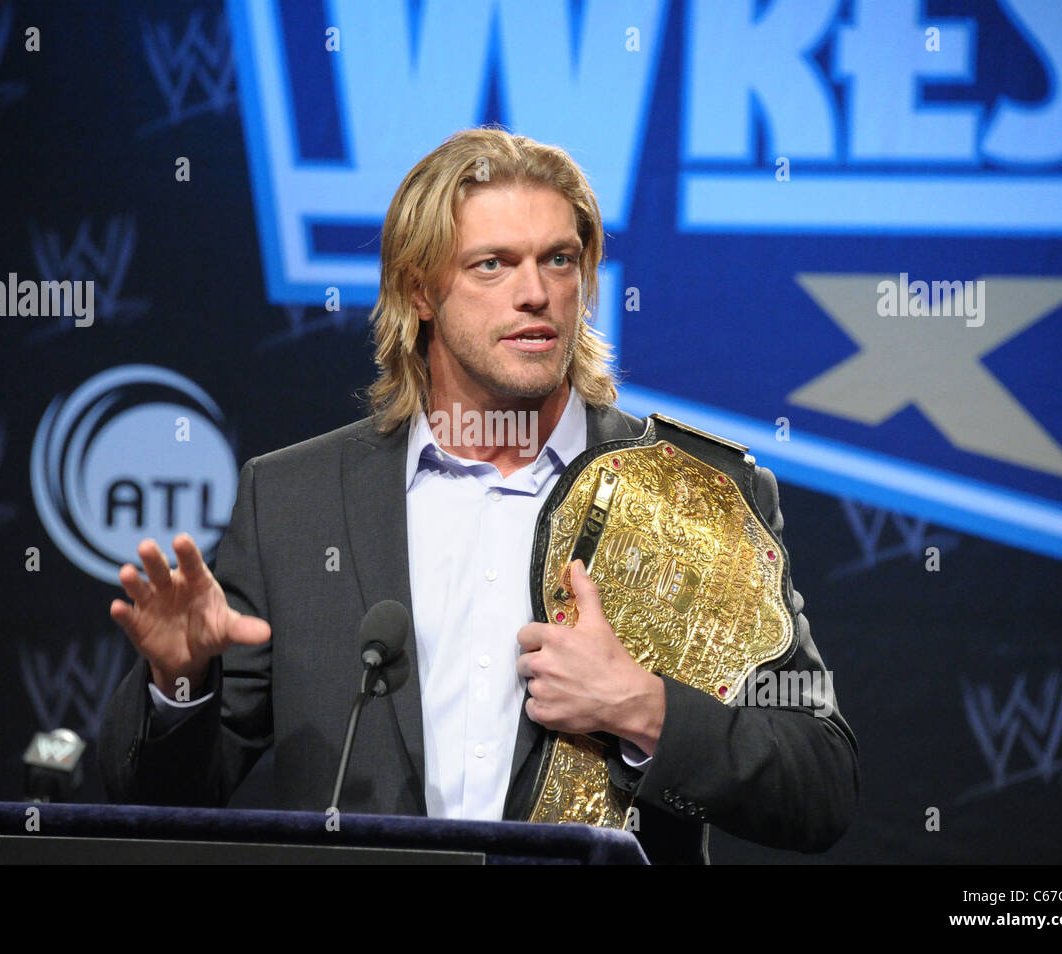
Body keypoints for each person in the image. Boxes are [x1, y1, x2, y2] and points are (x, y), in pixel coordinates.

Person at [99, 127, 859, 864]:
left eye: (560, 261)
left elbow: (820, 783)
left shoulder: (693, 496)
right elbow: (151, 805)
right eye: (492, 264)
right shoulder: (293, 502)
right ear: (418, 290)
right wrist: (181, 684)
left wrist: (640, 707)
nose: (536, 294)